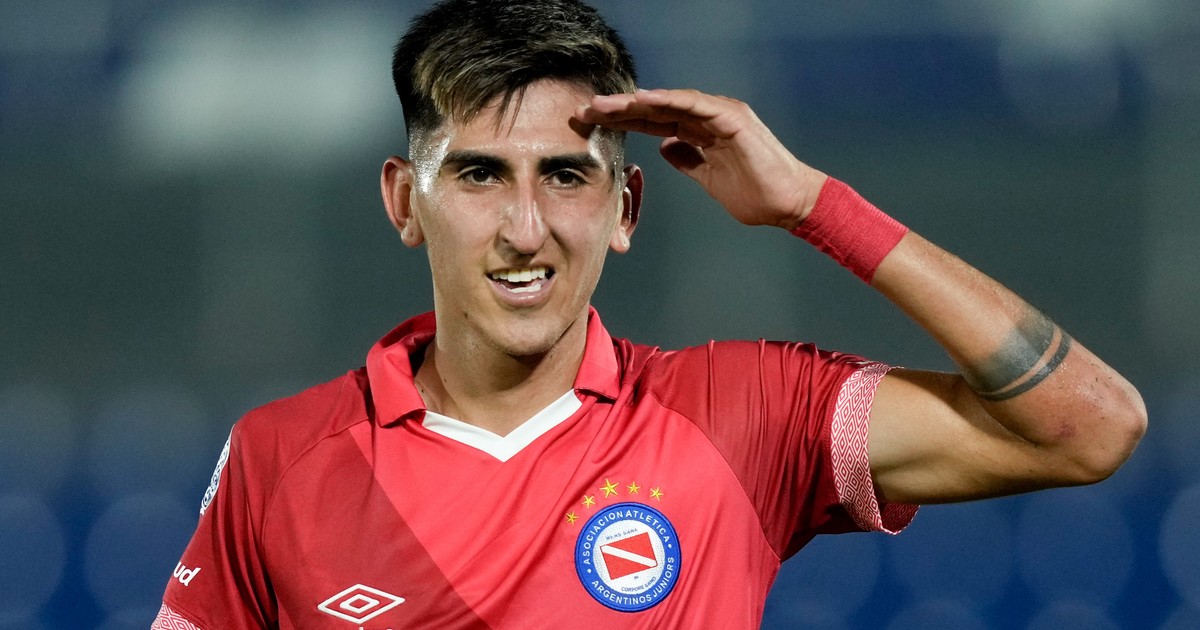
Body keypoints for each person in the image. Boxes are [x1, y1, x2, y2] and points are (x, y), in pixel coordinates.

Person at [152, 0, 1147, 628]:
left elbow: (1089, 426)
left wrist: (813, 205)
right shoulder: (281, 460)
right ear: (405, 203)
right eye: (481, 175)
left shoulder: (744, 413)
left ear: (625, 209)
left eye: (566, 176)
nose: (526, 228)